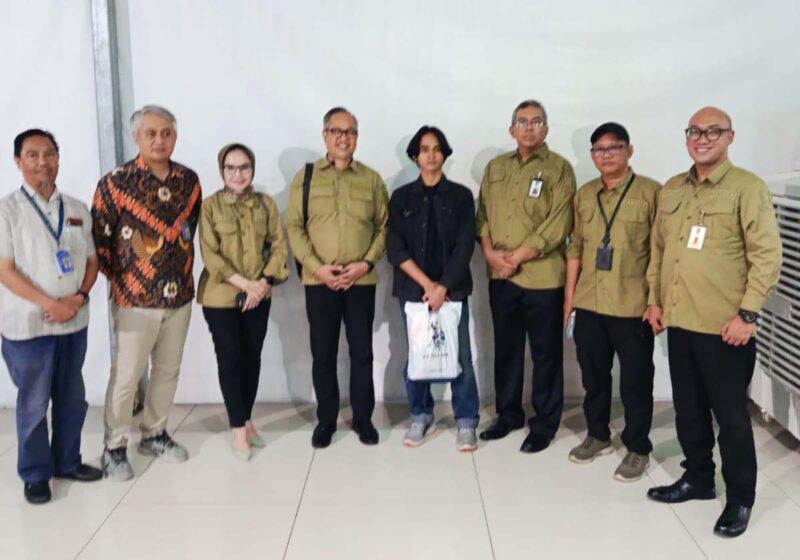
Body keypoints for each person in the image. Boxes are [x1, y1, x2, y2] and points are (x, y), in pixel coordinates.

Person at [645, 107, 782, 537]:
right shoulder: (672, 190)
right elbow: (659, 253)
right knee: (688, 411)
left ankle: (740, 498)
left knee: (732, 418)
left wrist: (747, 316)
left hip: (726, 328)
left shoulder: (747, 188)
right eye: (694, 131)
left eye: (712, 131)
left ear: (730, 137)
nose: (702, 138)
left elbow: (767, 255)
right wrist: (654, 301)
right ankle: (699, 479)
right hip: (680, 323)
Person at [91, 105, 202, 480]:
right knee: (126, 376)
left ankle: (154, 433)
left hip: (180, 297)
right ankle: (114, 447)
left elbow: (190, 231)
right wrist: (126, 282)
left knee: (168, 370)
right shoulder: (115, 183)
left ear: (174, 136)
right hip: (134, 300)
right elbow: (101, 241)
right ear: (136, 137)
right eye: (151, 133)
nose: (159, 140)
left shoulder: (189, 181)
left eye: (166, 133)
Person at [0, 129, 102, 504]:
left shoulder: (76, 209)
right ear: (18, 161)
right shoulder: (6, 210)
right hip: (29, 325)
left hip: (73, 320)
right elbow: (5, 270)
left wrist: (77, 297)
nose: (42, 161)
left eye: (49, 153)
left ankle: (67, 462)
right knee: (34, 402)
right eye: (32, 155)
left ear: (58, 158)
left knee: (72, 397)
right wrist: (50, 302)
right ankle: (35, 473)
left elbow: (92, 260)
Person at [476, 99, 576, 453]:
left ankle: (545, 423)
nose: (529, 127)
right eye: (522, 122)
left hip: (542, 277)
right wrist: (490, 253)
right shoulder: (496, 167)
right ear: (511, 129)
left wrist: (519, 255)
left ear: (546, 129)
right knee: (506, 349)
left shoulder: (559, 169)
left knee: (545, 353)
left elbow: (560, 221)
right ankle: (508, 415)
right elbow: (483, 214)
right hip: (501, 276)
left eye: (536, 122)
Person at [285, 107, 388, 449]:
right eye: (336, 131)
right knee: (323, 353)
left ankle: (363, 419)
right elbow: (295, 227)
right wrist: (317, 267)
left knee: (362, 353)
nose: (344, 137)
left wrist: (365, 263)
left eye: (351, 132)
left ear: (357, 137)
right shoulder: (307, 176)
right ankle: (326, 420)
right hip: (320, 282)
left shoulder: (371, 179)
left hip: (361, 280)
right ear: (325, 135)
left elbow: (383, 228)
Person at [564, 122, 660, 481]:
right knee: (594, 378)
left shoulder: (652, 193)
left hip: (632, 305)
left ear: (629, 151)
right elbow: (575, 247)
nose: (606, 155)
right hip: (589, 303)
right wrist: (569, 300)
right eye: (599, 150)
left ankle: (638, 448)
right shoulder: (585, 195)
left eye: (613, 148)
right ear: (592, 156)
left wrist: (655, 303)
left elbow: (660, 253)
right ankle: (598, 435)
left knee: (635, 381)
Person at [387, 126, 480, 451]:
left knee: (461, 357)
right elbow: (395, 249)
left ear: (444, 154)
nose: (431, 154)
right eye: (424, 149)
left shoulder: (461, 196)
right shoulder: (400, 198)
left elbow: (465, 245)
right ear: (415, 156)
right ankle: (420, 415)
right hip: (414, 292)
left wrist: (444, 286)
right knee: (417, 356)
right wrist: (429, 285)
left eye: (437, 148)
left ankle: (466, 421)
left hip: (453, 291)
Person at [197, 143, 289, 461]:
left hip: (259, 295)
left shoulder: (265, 205)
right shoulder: (209, 206)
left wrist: (261, 284)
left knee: (252, 359)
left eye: (244, 167)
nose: (238, 174)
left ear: (253, 169)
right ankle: (237, 429)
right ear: (222, 171)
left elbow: (278, 246)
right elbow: (211, 254)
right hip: (222, 297)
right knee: (231, 360)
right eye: (231, 168)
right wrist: (245, 284)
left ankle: (247, 420)